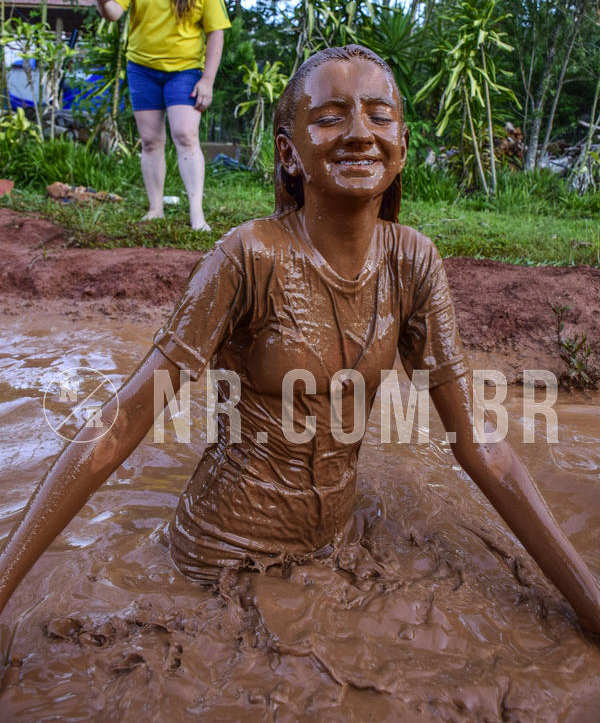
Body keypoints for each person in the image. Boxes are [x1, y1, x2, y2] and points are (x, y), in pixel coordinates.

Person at [0, 46, 599, 637]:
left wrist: (589, 601)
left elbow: (482, 444)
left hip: (331, 546)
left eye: (379, 115)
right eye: (331, 116)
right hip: (219, 558)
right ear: (289, 152)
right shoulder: (247, 256)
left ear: (403, 145)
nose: (360, 133)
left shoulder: (413, 260)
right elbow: (120, 423)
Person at [93, 0, 231, 231]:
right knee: (151, 140)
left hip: (185, 70)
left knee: (185, 134)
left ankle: (196, 214)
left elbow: (216, 32)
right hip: (142, 67)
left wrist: (207, 80)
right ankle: (155, 208)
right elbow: (114, 12)